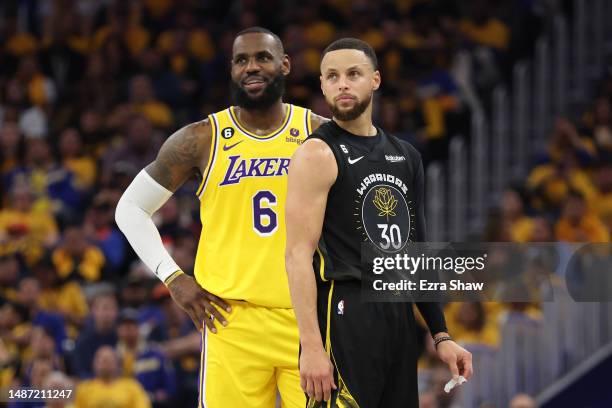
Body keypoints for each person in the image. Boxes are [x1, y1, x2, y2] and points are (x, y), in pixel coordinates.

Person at [115, 27, 328, 407]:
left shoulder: (319, 134)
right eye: (242, 60)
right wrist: (174, 278)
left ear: (285, 64)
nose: (252, 67)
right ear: (231, 70)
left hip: (308, 321)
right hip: (231, 321)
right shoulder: (201, 139)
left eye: (263, 57)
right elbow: (129, 209)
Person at [285, 38, 473, 406]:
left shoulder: (406, 156)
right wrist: (310, 347)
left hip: (398, 314)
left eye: (353, 74)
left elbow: (415, 253)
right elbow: (296, 256)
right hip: (345, 310)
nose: (342, 84)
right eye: (332, 76)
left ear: (375, 79)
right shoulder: (315, 154)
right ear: (322, 85)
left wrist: (441, 334)